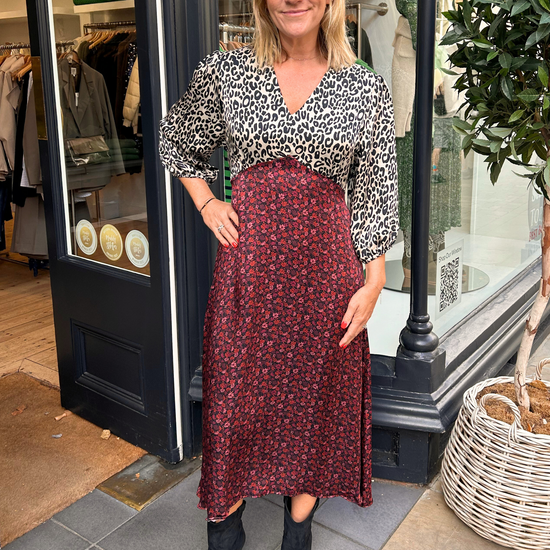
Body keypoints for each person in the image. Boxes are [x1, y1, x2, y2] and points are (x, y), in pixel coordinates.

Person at [158, 1, 398, 548]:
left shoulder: (364, 90)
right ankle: (227, 529)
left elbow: (375, 193)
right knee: (233, 402)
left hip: (326, 277)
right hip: (250, 275)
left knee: (316, 400)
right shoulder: (228, 72)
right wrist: (206, 203)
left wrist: (375, 278)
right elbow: (178, 140)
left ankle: (298, 529)